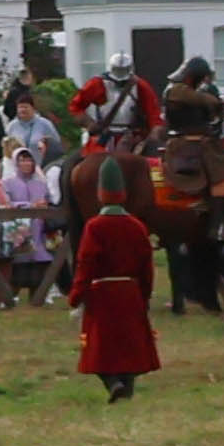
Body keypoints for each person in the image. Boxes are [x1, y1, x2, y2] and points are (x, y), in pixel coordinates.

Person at [71, 167, 160, 404]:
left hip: (102, 294)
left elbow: (86, 263)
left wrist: (76, 294)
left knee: (100, 346)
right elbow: (147, 266)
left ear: (100, 194)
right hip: (130, 292)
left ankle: (113, 383)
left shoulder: (94, 226)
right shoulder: (137, 226)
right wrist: (144, 295)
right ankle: (126, 389)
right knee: (129, 344)